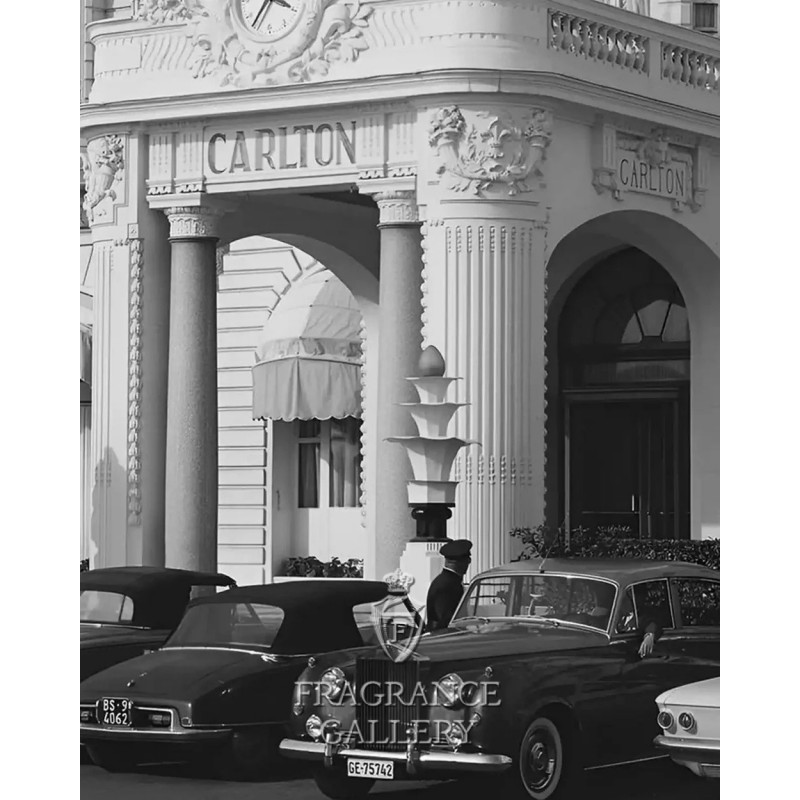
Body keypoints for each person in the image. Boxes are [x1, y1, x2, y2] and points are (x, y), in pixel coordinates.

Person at [426, 539, 472, 631]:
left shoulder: (447, 581)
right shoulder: (447, 585)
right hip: (442, 635)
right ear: (458, 562)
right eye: (468, 561)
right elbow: (446, 619)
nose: (468, 564)